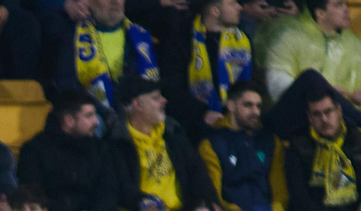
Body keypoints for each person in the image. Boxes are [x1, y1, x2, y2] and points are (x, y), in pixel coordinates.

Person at [112, 74, 217, 211]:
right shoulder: (117, 141)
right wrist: (145, 203)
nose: (164, 101)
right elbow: (118, 186)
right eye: (156, 97)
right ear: (137, 104)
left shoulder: (173, 132)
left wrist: (209, 201)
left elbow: (197, 170)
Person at [18, 90, 128, 211]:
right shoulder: (35, 149)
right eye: (89, 116)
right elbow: (32, 194)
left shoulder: (100, 148)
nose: (96, 122)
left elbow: (110, 190)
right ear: (68, 121)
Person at [198, 80, 300, 211]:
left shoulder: (270, 141)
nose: (255, 111)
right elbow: (213, 194)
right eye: (248, 105)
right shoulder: (212, 143)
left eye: (258, 106)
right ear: (231, 105)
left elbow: (280, 190)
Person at [284, 87, 361, 211]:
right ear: (309, 117)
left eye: (328, 112)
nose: (324, 120)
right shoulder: (298, 147)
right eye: (317, 114)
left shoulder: (357, 140)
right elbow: (300, 197)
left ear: (339, 110)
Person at [159, 0, 252, 138]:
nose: (240, 7)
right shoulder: (181, 41)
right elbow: (172, 89)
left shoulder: (243, 41)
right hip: (196, 125)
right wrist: (202, 113)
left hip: (237, 123)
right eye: (232, 3)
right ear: (215, 11)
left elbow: (250, 83)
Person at [56, 0, 159, 122]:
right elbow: (67, 87)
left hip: (135, 112)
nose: (115, 2)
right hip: (93, 117)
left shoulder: (140, 36)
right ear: (89, 3)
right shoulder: (72, 36)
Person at [259, 0, 361, 103]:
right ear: (320, 13)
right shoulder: (290, 39)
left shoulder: (355, 44)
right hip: (302, 113)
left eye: (345, 4)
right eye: (338, 5)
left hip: (346, 115)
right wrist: (323, 91)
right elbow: (276, 85)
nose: (347, 10)